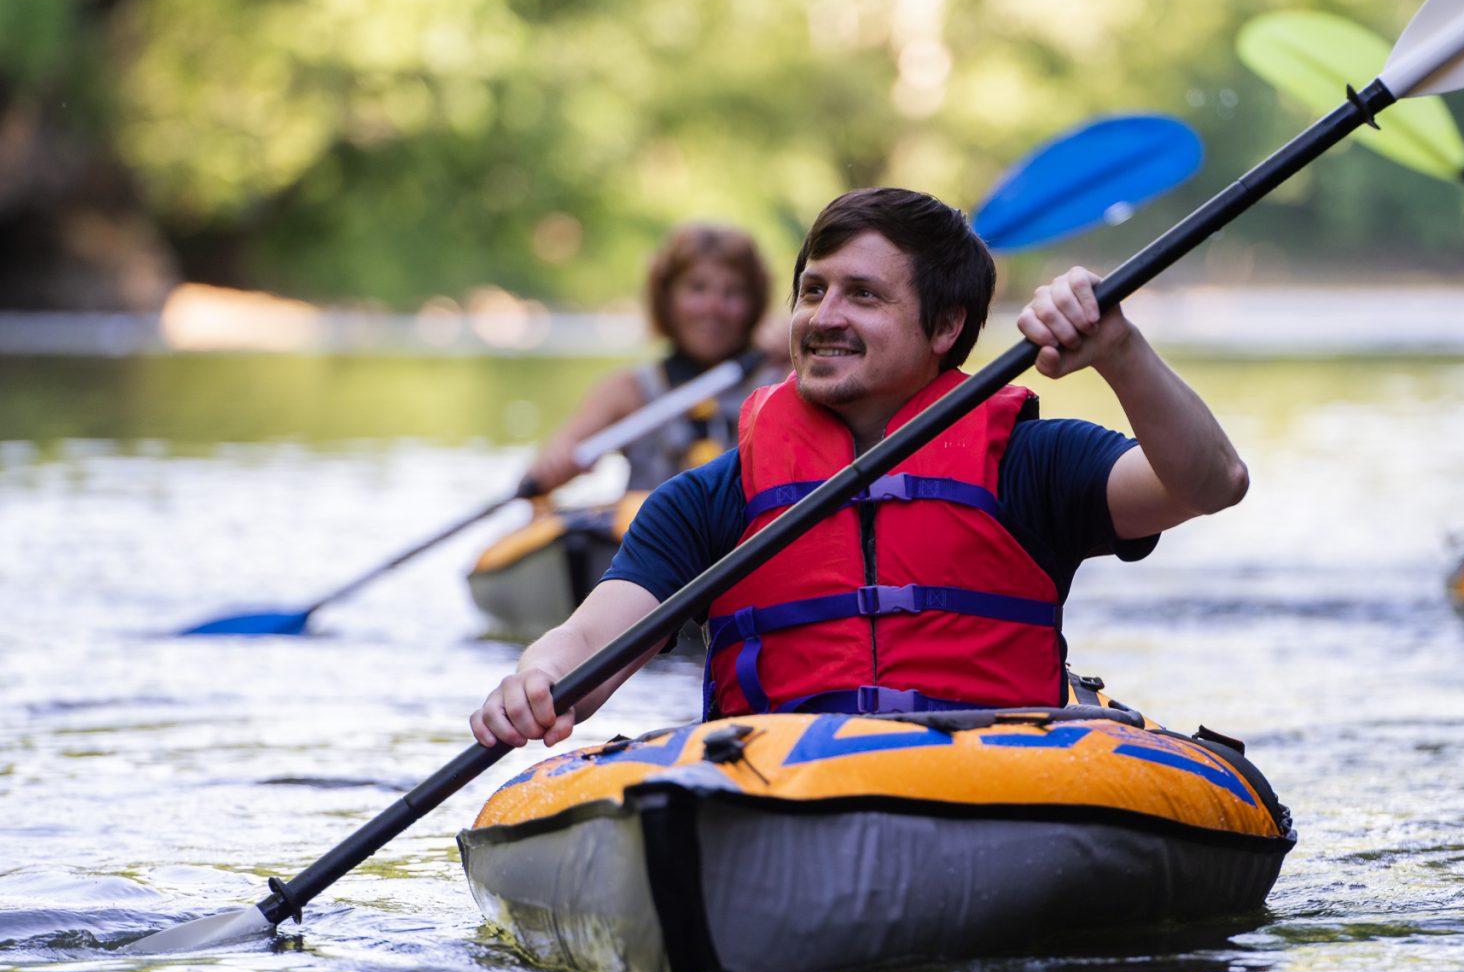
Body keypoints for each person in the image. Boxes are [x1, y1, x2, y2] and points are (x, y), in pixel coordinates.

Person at [471, 186, 1251, 748]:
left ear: (946, 326)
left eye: (863, 295)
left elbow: (1212, 482)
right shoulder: (712, 496)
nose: (824, 316)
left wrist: (1118, 351)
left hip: (994, 783)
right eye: (813, 291)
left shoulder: (1029, 462)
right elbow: (588, 644)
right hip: (779, 788)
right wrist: (536, 679)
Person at [525, 222, 780, 495]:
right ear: (667, 299)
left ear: (754, 304)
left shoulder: (782, 380)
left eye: (732, 292)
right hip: (651, 535)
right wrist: (556, 462)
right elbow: (539, 471)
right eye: (697, 288)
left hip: (751, 534)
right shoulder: (628, 390)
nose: (713, 307)